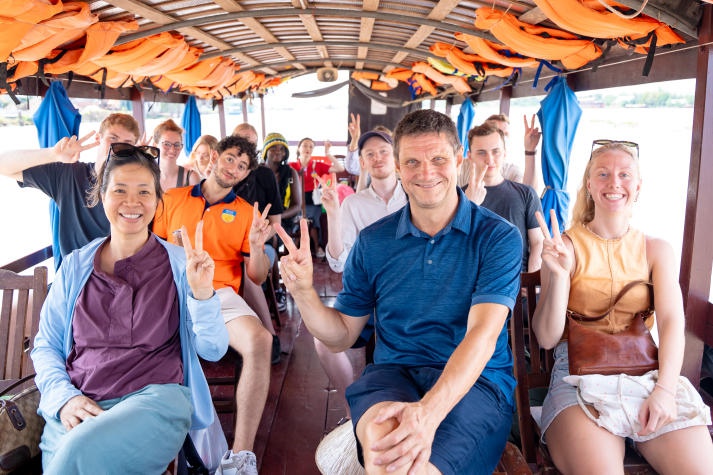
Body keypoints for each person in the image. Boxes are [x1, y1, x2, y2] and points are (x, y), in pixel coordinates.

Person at [275, 109, 522, 474]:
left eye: (438, 159)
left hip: (477, 383)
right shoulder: (374, 242)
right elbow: (341, 335)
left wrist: (427, 413)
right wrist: (304, 293)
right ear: (398, 166)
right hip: (392, 376)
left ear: (458, 161)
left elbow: (483, 336)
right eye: (412, 162)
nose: (426, 172)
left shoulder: (497, 237)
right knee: (387, 457)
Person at [31, 144, 229, 474]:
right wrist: (64, 398)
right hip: (79, 406)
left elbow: (213, 349)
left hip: (154, 404)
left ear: (156, 200)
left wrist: (203, 293)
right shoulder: (76, 266)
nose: (132, 202)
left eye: (143, 192)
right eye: (120, 190)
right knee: (71, 453)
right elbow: (46, 346)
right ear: (101, 196)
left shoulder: (180, 264)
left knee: (74, 457)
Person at [532, 140, 713, 473]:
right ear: (589, 184)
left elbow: (672, 322)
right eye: (603, 174)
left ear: (638, 186)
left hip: (645, 373)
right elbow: (546, 338)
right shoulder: (565, 247)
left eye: (624, 175)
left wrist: (665, 390)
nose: (614, 183)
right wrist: (557, 277)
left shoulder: (657, 249)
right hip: (577, 375)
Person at [152, 135, 273, 475]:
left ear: (245, 176)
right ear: (216, 157)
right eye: (231, 158)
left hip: (220, 295)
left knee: (261, 341)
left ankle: (240, 456)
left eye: (243, 166)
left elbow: (258, 277)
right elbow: (153, 251)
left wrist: (258, 246)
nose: (234, 168)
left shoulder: (248, 213)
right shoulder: (171, 199)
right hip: (171, 292)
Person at [315, 129, 408, 422]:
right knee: (323, 340)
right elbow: (338, 262)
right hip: (368, 295)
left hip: (409, 293)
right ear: (363, 163)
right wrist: (332, 212)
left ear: (396, 158)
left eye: (383, 151)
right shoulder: (353, 204)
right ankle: (349, 399)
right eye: (370, 154)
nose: (377, 158)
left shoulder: (415, 194)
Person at [0, 113, 141, 267]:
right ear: (98, 139)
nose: (118, 148)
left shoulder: (140, 188)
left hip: (121, 277)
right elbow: (3, 165)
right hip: (75, 277)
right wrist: (53, 154)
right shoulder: (69, 175)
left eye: (127, 143)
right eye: (112, 139)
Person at [232, 123, 285, 363]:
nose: (246, 146)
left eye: (251, 142)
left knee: (247, 266)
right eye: (241, 140)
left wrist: (255, 242)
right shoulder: (225, 175)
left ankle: (270, 336)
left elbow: (276, 224)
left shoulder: (264, 175)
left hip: (261, 244)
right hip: (226, 246)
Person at [465, 123, 543, 272]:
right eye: (481, 152)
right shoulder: (458, 198)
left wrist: (530, 279)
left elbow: (538, 242)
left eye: (496, 151)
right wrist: (469, 205)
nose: (490, 159)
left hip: (518, 282)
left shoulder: (526, 194)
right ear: (469, 156)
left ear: (505, 153)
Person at [289, 137, 345, 258]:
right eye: (304, 145)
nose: (307, 148)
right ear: (299, 148)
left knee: (314, 221)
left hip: (313, 200)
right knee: (297, 219)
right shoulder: (292, 165)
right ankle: (294, 247)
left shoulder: (317, 165)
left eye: (310, 146)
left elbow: (340, 168)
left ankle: (317, 247)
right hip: (296, 201)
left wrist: (328, 154)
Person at [458, 113, 540, 191]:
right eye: (497, 131)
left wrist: (530, 150)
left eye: (506, 134)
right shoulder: (462, 167)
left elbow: (530, 194)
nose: (503, 137)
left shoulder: (511, 171)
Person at [153, 118, 200, 191]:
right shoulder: (146, 176)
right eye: (166, 144)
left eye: (177, 145)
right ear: (155, 146)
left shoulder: (191, 178)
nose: (172, 149)